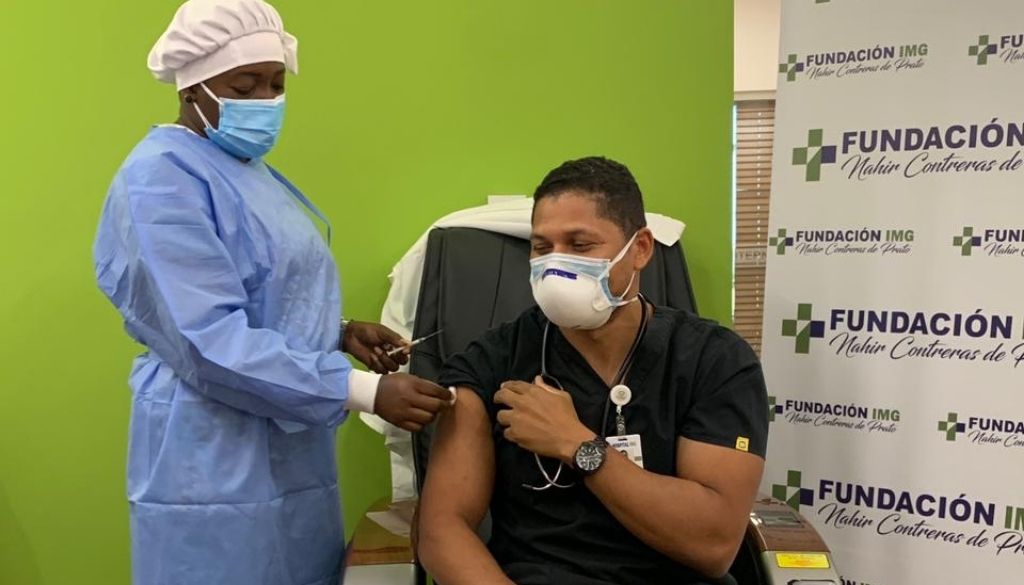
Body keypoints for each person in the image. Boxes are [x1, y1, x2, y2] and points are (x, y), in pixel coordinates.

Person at [92, 1, 450, 584]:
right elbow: (206, 338)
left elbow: (261, 289)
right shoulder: (161, 177)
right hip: (212, 450)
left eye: (276, 84)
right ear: (192, 88)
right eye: (244, 86)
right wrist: (362, 390)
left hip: (286, 441)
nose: (264, 99)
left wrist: (337, 332)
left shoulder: (240, 167)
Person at [418, 157, 769, 585]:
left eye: (580, 245)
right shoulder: (490, 362)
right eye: (542, 248)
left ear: (640, 249)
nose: (556, 266)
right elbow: (443, 530)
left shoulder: (714, 361)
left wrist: (577, 444)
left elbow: (712, 546)